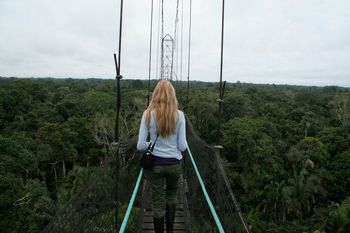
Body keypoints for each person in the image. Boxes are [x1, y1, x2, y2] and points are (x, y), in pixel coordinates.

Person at [137, 80, 188, 233]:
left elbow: (140, 145)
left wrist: (151, 144)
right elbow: (182, 147)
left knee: (158, 202)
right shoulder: (179, 115)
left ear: (155, 95)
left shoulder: (147, 115)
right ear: (173, 95)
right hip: (174, 165)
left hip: (154, 166)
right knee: (171, 196)